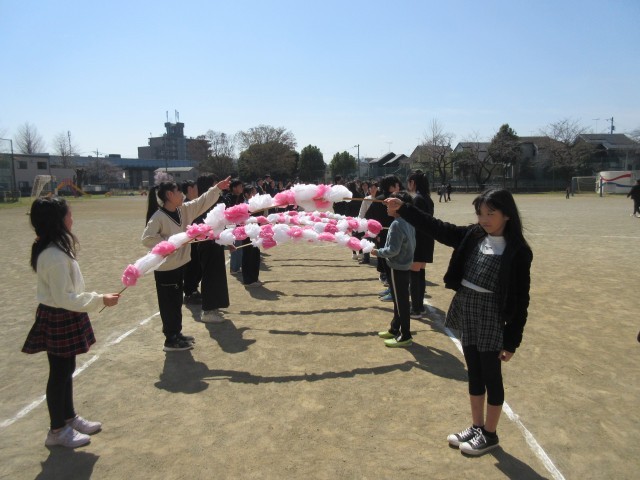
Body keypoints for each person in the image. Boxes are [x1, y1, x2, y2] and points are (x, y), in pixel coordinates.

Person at [386, 189, 532, 456]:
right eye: (480, 213)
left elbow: (521, 299)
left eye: (491, 213)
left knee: (491, 376)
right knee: (474, 372)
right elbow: (437, 227)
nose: (484, 219)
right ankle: (477, 427)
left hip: (491, 316)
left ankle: (490, 434)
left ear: (507, 215)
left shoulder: (518, 251)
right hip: (467, 308)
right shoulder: (473, 234)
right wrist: (404, 208)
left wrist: (512, 341)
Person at [22, 196, 121, 448]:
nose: (72, 219)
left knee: (66, 370)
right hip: (60, 314)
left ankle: (68, 418)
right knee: (59, 373)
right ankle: (57, 430)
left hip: (66, 313)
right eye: (69, 214)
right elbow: (64, 297)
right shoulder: (53, 255)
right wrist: (100, 300)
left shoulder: (57, 248)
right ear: (58, 220)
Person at [142, 176, 231, 351]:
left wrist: (217, 189)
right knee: (168, 304)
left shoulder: (183, 210)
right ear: (169, 195)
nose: (182, 194)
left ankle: (176, 333)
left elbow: (201, 202)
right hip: (166, 269)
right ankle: (170, 339)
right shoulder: (158, 217)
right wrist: (169, 244)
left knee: (176, 302)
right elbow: (147, 239)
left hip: (179, 265)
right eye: (178, 191)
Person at [372, 191, 416, 347]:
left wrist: (377, 252)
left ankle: (405, 336)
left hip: (397, 267)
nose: (386, 206)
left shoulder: (397, 224)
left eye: (390, 203)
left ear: (398, 206)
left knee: (401, 302)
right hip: (403, 265)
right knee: (399, 301)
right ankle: (394, 328)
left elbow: (393, 250)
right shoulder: (407, 220)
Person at [197, 174, 231, 324]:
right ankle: (208, 310)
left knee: (217, 275)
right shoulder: (200, 204)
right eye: (215, 184)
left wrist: (227, 240)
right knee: (210, 276)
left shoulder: (215, 202)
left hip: (216, 242)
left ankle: (214, 306)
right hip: (206, 243)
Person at [406, 171, 435, 318]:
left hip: (419, 239)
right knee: (420, 272)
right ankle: (420, 306)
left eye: (409, 182)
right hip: (427, 238)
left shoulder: (417, 199)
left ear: (413, 183)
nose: (408, 185)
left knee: (414, 274)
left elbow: (414, 221)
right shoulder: (428, 198)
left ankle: (416, 308)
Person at [366, 175, 401, 291]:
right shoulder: (391, 200)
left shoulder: (379, 199)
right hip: (389, 234)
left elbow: (369, 217)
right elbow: (370, 218)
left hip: (382, 235)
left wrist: (376, 233)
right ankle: (391, 286)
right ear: (391, 187)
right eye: (397, 185)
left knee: (386, 260)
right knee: (392, 261)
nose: (399, 187)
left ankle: (389, 282)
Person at [181, 180, 202, 304]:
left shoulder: (194, 203)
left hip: (197, 240)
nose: (197, 191)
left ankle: (193, 289)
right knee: (191, 268)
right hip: (189, 242)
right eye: (196, 188)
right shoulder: (186, 205)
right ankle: (189, 293)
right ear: (190, 189)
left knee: (197, 267)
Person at [241, 186, 263, 287]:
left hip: (255, 232)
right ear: (246, 194)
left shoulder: (255, 204)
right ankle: (248, 280)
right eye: (253, 193)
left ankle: (254, 277)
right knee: (248, 255)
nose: (255, 195)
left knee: (255, 255)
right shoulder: (244, 205)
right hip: (247, 233)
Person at [225, 179, 244, 274]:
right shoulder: (228, 198)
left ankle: (237, 267)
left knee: (240, 246)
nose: (242, 188)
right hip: (231, 225)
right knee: (234, 246)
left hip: (240, 224)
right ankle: (233, 268)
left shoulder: (241, 197)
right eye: (240, 186)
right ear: (234, 188)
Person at [358, 181, 378, 265]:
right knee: (366, 240)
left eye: (375, 188)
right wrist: (359, 221)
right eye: (371, 188)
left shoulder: (380, 199)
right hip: (368, 223)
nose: (373, 189)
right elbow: (362, 211)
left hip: (378, 223)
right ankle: (366, 258)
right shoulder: (366, 199)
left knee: (378, 241)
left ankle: (381, 258)